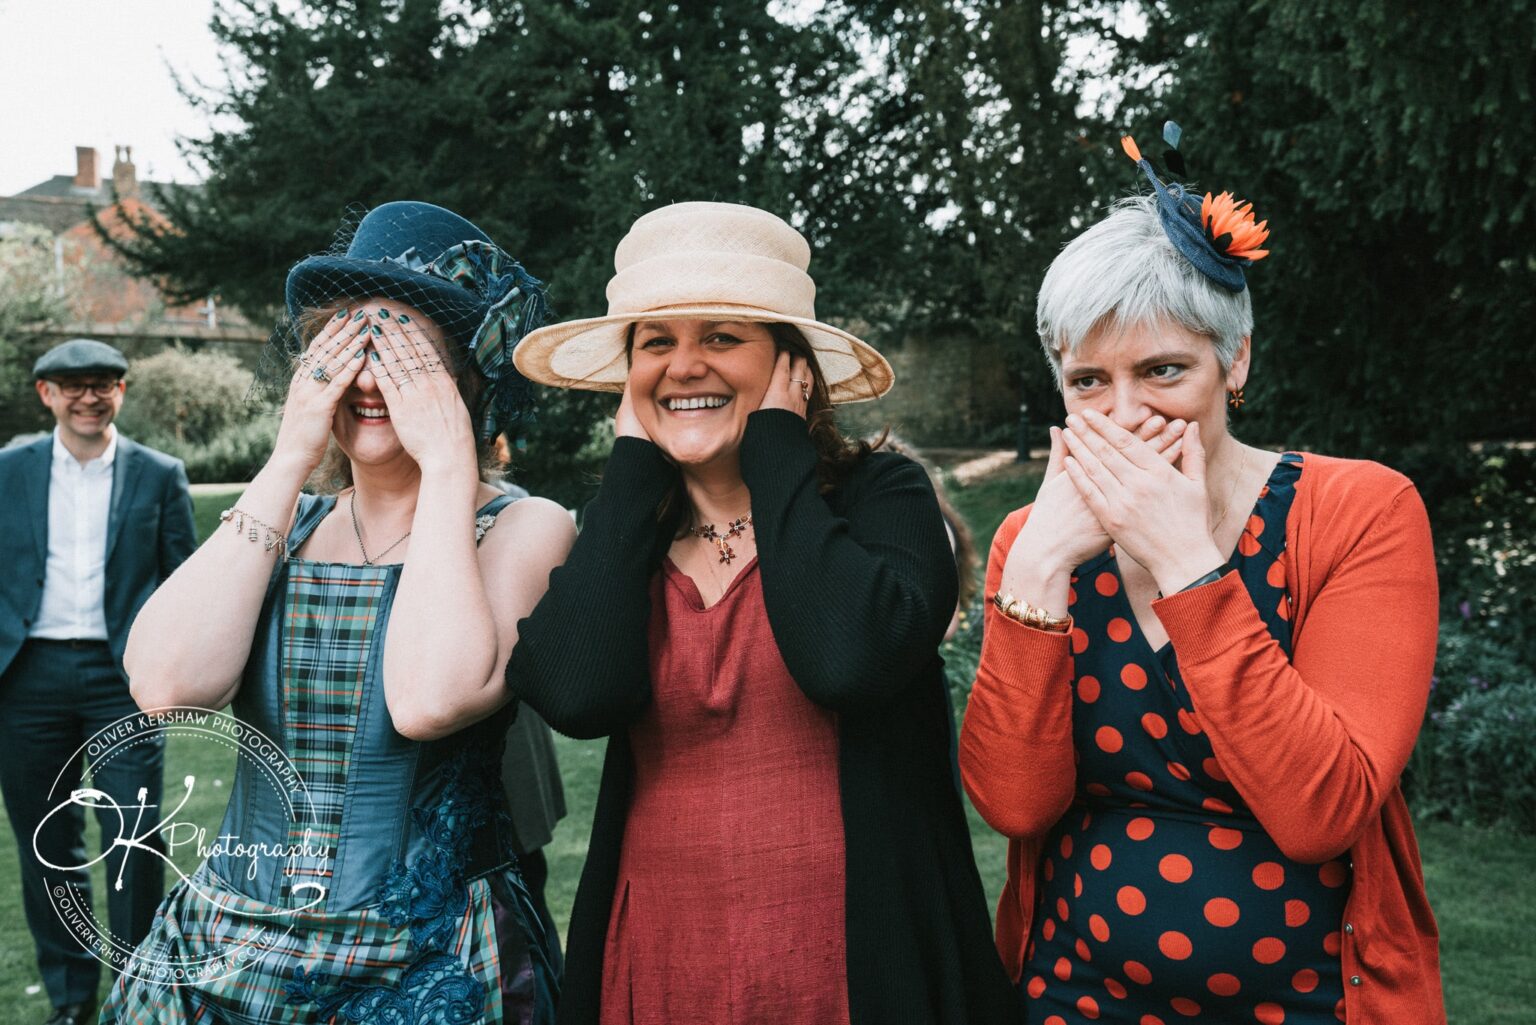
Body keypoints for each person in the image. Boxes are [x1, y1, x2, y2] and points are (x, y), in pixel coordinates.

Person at [959, 136, 1443, 1023]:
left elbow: (1322, 811)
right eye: (1089, 381)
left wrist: (1189, 565)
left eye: (1163, 370)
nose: (1125, 412)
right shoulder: (1034, 542)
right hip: (1073, 994)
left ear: (1236, 360)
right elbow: (1014, 806)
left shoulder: (1360, 512)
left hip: (1309, 1001)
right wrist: (1034, 572)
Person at [507, 201, 1020, 1025]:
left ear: (794, 368)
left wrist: (777, 450)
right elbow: (576, 694)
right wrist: (633, 470)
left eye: (720, 337)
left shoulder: (883, 500)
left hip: (853, 976)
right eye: (655, 343)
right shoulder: (626, 532)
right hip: (662, 969)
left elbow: (847, 659)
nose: (684, 366)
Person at [98, 202, 574, 1024]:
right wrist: (289, 456)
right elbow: (165, 686)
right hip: (227, 949)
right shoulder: (286, 527)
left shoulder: (524, 526)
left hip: (427, 962)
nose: (371, 380)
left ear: (468, 380)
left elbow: (428, 699)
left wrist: (448, 463)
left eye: (409, 358)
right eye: (353, 348)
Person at [0, 339, 196, 1025]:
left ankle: (136, 992)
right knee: (46, 843)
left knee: (134, 836)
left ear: (121, 390)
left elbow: (182, 582)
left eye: (103, 383)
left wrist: (170, 668)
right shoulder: (8, 471)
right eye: (73, 385)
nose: (89, 396)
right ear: (47, 394)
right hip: (27, 677)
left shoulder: (159, 474)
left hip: (123, 679)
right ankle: (71, 998)